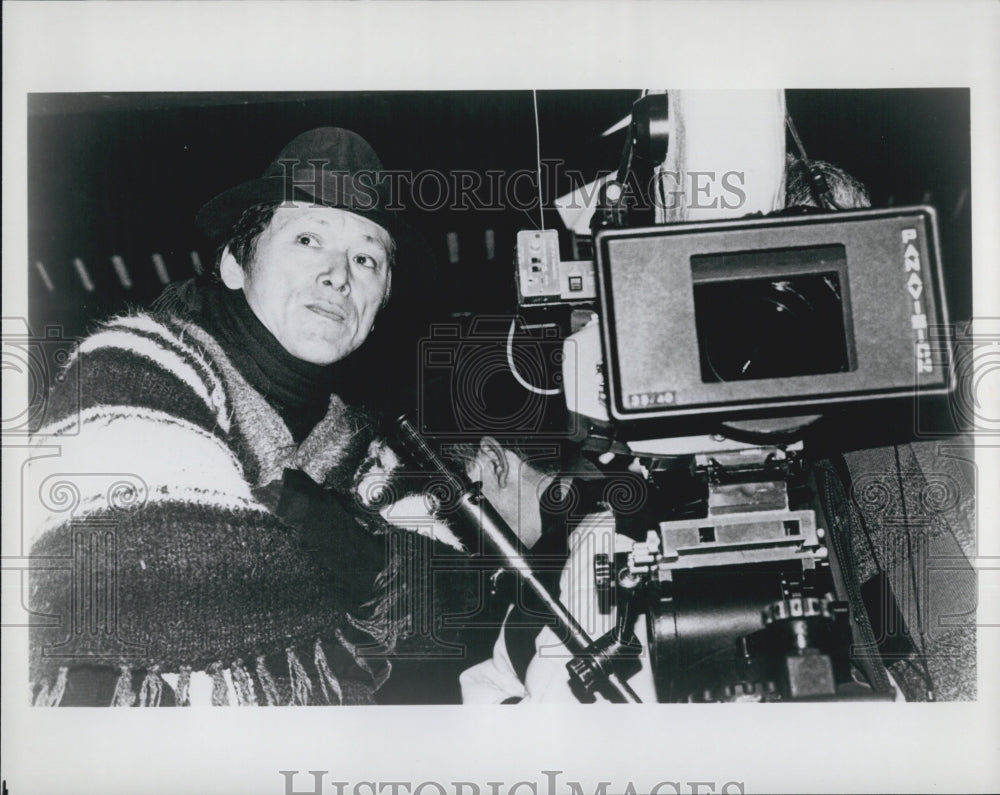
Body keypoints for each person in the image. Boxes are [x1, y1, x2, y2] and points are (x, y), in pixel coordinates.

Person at [27, 127, 424, 706]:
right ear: (236, 265)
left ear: (380, 298)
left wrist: (354, 552)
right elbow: (158, 597)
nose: (339, 274)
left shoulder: (364, 445)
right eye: (308, 239)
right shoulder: (131, 367)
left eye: (366, 258)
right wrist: (365, 557)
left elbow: (428, 622)